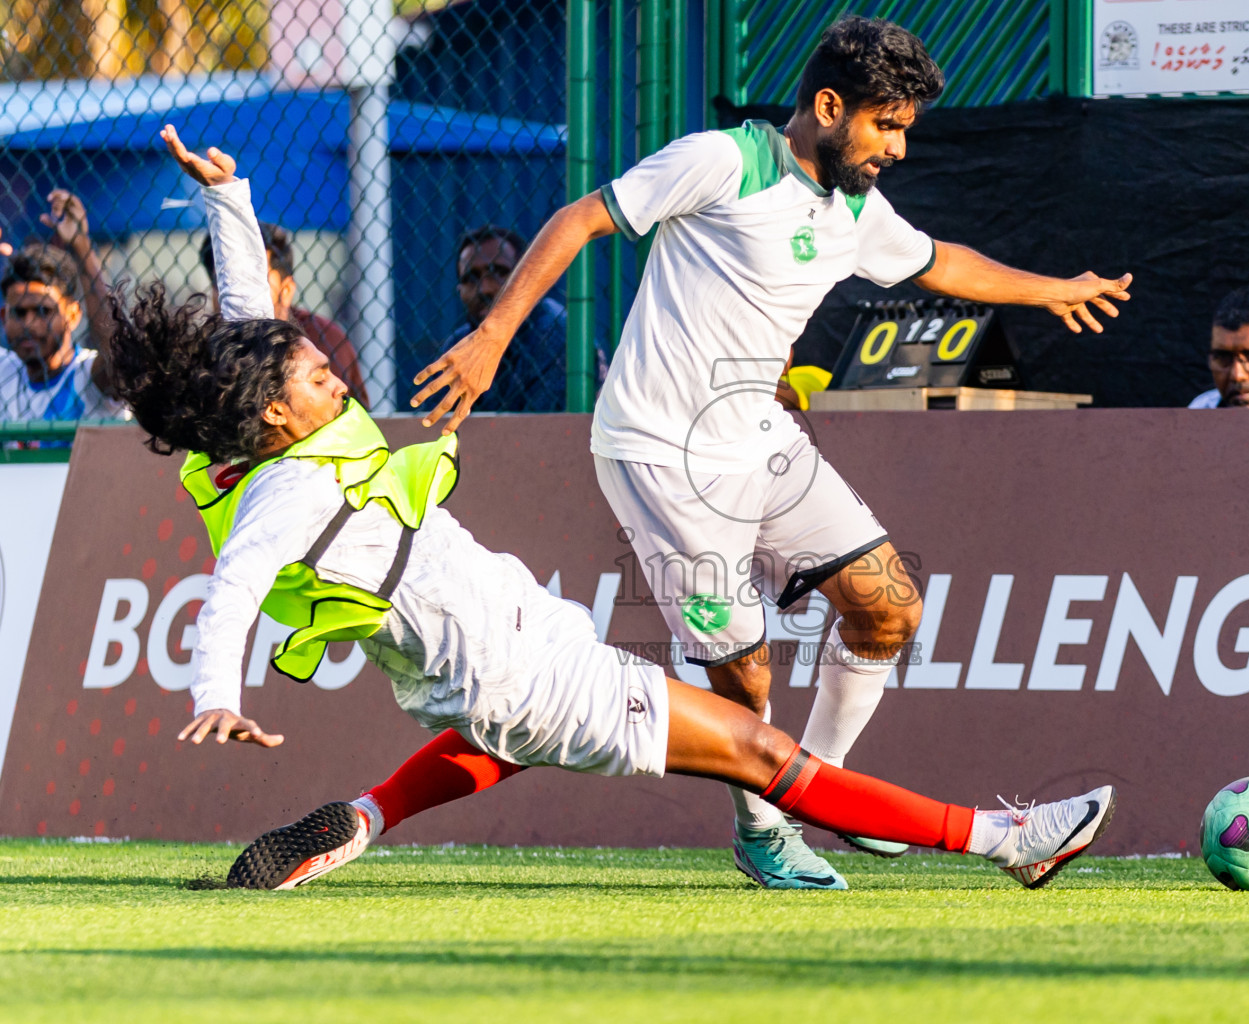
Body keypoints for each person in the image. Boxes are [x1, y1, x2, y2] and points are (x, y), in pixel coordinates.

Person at [122, 125, 1116, 893]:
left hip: (502, 662)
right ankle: (1005, 840)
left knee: (504, 736)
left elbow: (251, 324)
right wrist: (217, 691)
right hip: (525, 671)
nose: (335, 377)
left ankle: (363, 819)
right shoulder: (288, 488)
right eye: (315, 377)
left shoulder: (265, 436)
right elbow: (237, 583)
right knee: (766, 755)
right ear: (272, 413)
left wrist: (228, 200)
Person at [408, 16, 1133, 889]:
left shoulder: (856, 208)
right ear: (830, 106)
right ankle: (762, 830)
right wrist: (491, 338)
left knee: (888, 606)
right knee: (747, 682)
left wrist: (1052, 291)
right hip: (661, 457)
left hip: (758, 436)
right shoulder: (720, 160)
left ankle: (820, 794)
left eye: (906, 128)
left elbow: (942, 263)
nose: (899, 148)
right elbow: (579, 220)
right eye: (887, 126)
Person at [199, 221, 371, 408]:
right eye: (223, 282)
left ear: (286, 290)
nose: (238, 294)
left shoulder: (321, 342)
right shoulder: (202, 351)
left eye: (255, 282)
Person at [445, 225, 605, 411]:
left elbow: (541, 431)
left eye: (499, 272)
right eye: (471, 278)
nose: (485, 289)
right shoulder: (458, 343)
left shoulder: (556, 335)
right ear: (459, 290)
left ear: (524, 280)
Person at [0, 190, 128, 422]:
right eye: (19, 312)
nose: (29, 324)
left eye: (43, 311)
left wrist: (81, 246)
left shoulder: (87, 374)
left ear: (72, 314)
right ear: (3, 316)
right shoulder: (4, 371)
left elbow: (118, 360)